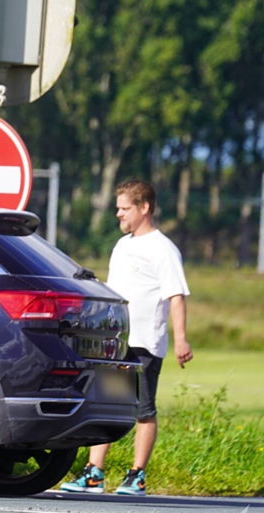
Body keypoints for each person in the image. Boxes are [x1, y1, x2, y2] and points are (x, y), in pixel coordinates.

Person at [61, 180, 192, 496]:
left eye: (124, 208)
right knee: (110, 404)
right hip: (116, 341)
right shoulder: (122, 246)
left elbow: (176, 296)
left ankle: (137, 474)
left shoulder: (164, 249)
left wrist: (181, 339)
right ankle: (95, 473)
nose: (118, 213)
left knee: (143, 408)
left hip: (145, 342)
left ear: (143, 207)